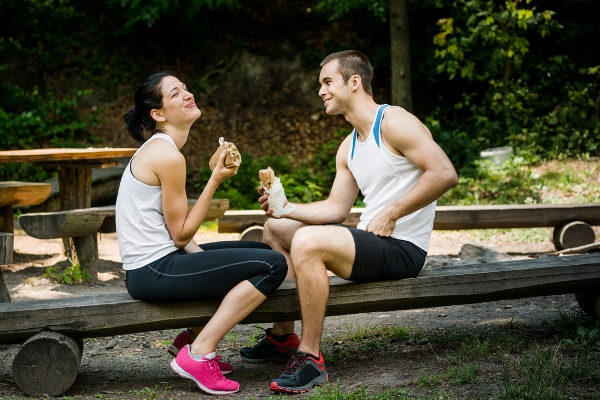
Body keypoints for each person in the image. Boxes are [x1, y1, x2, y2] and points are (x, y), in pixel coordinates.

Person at [239, 50, 458, 394]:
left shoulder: (394, 122)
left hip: (403, 249)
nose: (321, 91)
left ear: (354, 82)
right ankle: (283, 336)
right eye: (320, 84)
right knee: (277, 230)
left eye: (328, 82)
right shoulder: (349, 146)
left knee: (308, 242)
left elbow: (445, 173)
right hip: (371, 239)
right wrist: (285, 207)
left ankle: (310, 358)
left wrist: (393, 212)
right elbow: (336, 209)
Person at [116, 71, 288, 396]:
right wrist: (215, 180)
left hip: (157, 263)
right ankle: (197, 353)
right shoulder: (167, 156)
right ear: (158, 113)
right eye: (175, 92)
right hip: (152, 271)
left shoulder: (161, 149)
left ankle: (191, 336)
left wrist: (207, 262)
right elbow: (180, 235)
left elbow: (171, 230)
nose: (187, 93)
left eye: (185, 87)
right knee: (273, 266)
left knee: (264, 255)